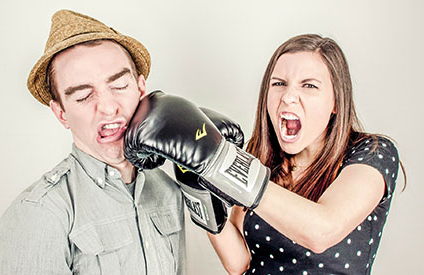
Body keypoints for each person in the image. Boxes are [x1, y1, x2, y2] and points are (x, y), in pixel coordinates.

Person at [123, 34, 405, 275]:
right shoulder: (260, 159)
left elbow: (322, 231)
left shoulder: (372, 153)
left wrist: (219, 162)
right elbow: (240, 262)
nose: (288, 96)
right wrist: (195, 182)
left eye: (309, 85)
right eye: (279, 83)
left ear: (336, 102)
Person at [0, 10, 185, 275]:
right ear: (62, 114)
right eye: (83, 96)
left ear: (141, 90)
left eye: (119, 86)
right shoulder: (40, 214)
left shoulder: (168, 190)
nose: (107, 108)